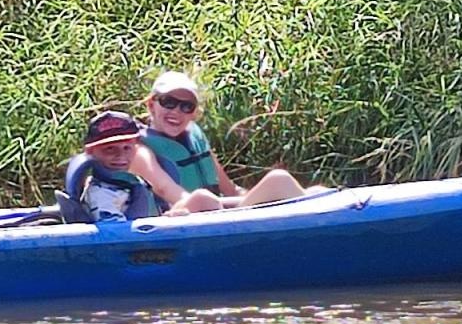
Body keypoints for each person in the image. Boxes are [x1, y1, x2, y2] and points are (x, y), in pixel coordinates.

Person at [130, 71, 310, 209]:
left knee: (308, 190)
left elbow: (230, 190)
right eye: (169, 102)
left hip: (214, 212)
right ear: (152, 104)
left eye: (187, 106)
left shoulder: (194, 137)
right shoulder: (140, 151)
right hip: (182, 219)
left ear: (194, 113)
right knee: (278, 180)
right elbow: (169, 192)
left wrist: (258, 198)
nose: (176, 111)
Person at [60, 111, 170, 223]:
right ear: (90, 152)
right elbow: (117, 235)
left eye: (127, 148)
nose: (120, 155)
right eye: (110, 149)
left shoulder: (130, 183)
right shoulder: (101, 195)